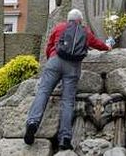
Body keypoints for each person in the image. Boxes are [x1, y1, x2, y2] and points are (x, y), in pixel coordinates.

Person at [24, 9, 111, 149]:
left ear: (68, 19)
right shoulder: (85, 31)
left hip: (55, 61)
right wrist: (108, 46)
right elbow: (98, 45)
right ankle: (64, 137)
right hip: (73, 67)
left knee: (43, 92)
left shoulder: (59, 27)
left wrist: (51, 59)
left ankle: (33, 122)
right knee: (68, 101)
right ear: (80, 20)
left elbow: (49, 45)